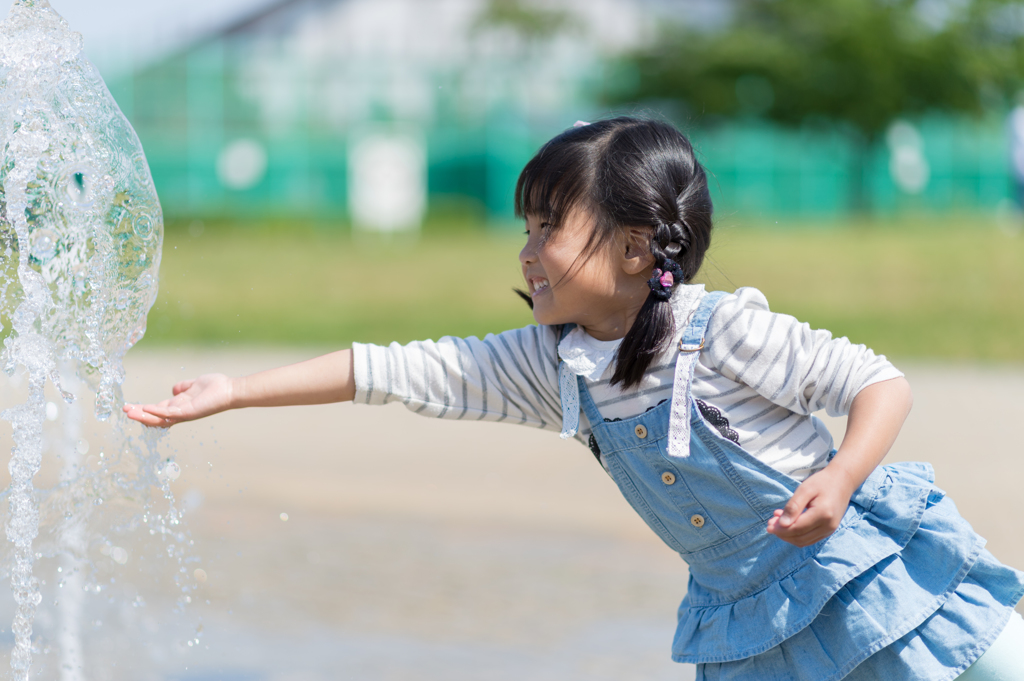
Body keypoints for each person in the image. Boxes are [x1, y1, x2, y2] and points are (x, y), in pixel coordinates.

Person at [124, 117, 1024, 680]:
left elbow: (877, 380)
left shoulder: (724, 333)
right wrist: (235, 390)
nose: (527, 249)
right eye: (526, 226)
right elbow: (391, 368)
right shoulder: (550, 364)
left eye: (550, 225)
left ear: (638, 249)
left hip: (867, 574)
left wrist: (843, 478)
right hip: (751, 625)